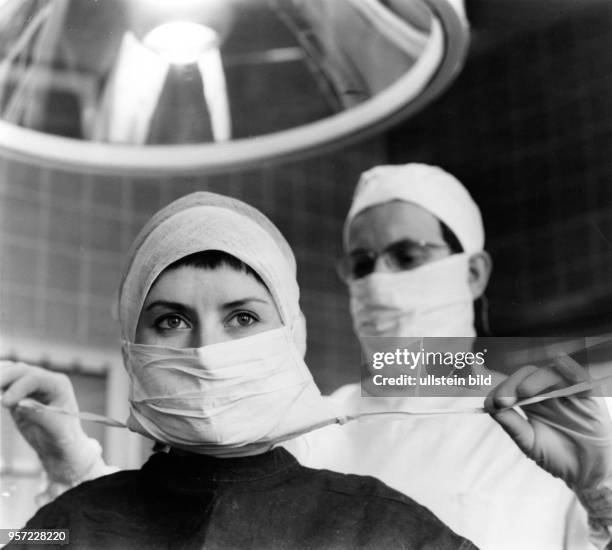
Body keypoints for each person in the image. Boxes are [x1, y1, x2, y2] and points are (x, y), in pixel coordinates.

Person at [2, 166, 612, 549]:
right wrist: (74, 460)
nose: (380, 282)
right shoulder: (319, 423)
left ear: (473, 272)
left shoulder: (555, 422)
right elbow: (169, 520)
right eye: (363, 264)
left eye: (407, 256)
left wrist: (604, 496)